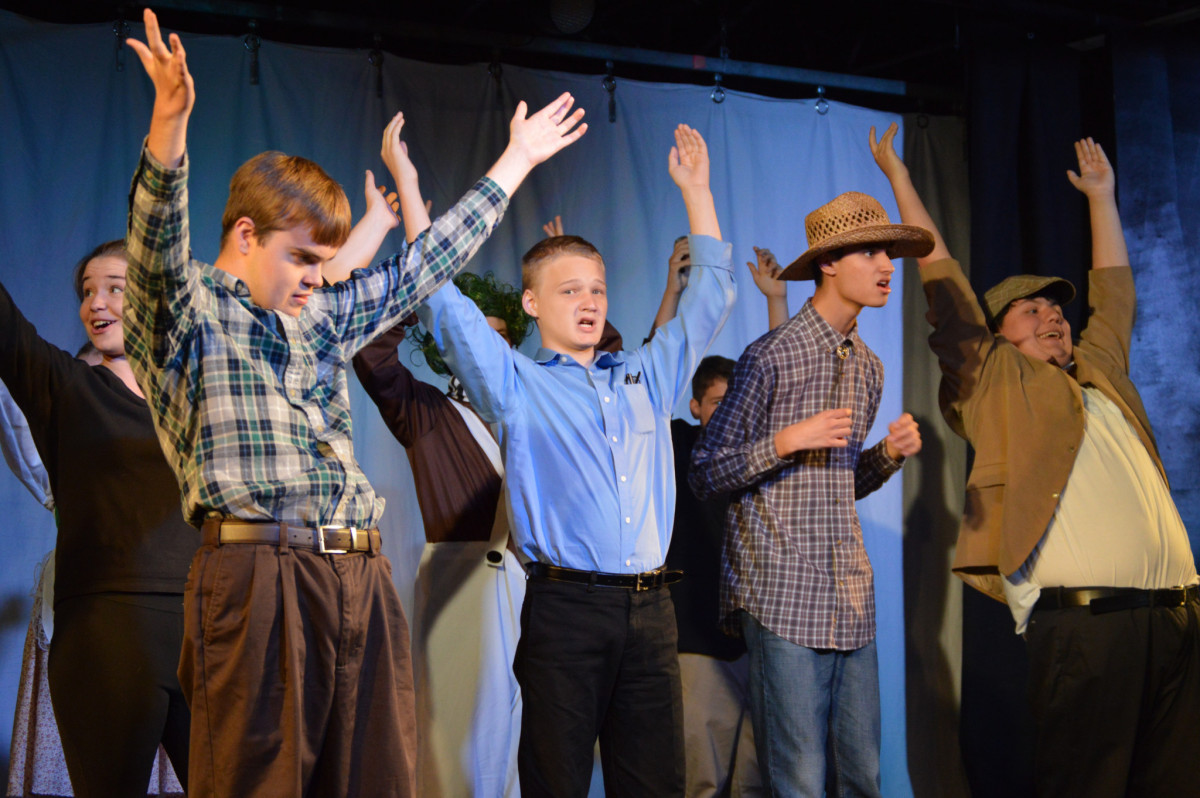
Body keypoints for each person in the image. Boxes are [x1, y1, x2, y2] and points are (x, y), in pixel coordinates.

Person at [121, 10, 585, 796]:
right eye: (300, 259)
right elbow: (156, 240)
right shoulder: (188, 313)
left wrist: (516, 160)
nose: (313, 279)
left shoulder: (322, 319)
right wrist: (170, 126)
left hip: (357, 576)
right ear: (244, 234)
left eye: (322, 264)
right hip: (257, 571)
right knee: (255, 779)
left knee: (373, 779)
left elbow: (423, 264)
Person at [871, 123, 1200, 796]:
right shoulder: (995, 382)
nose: (1053, 315)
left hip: (1176, 624)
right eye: (1031, 309)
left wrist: (1101, 199)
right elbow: (950, 297)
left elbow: (1114, 299)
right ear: (997, 334)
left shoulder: (1098, 373)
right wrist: (903, 182)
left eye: (1056, 307)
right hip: (1089, 628)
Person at [412, 123, 736, 797]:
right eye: (569, 290)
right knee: (556, 780)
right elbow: (443, 305)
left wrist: (697, 193)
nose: (588, 301)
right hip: (564, 606)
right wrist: (414, 199)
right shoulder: (518, 384)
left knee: (653, 783)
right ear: (532, 304)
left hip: (652, 610)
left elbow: (708, 298)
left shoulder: (647, 376)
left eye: (597, 288)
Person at [689, 188, 926, 797]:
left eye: (889, 255)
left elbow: (840, 485)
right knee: (796, 779)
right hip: (781, 592)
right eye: (871, 252)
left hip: (849, 592)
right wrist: (785, 441)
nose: (886, 267)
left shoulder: (868, 366)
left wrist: (888, 456)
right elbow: (706, 471)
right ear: (828, 262)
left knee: (862, 777)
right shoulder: (770, 356)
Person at [0, 241, 196, 797]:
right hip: (105, 631)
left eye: (114, 287)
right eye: (87, 291)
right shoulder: (67, 387)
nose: (96, 303)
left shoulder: (196, 400)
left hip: (203, 629)